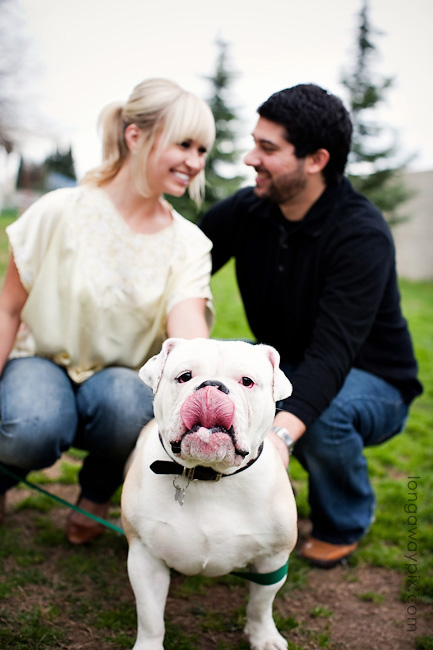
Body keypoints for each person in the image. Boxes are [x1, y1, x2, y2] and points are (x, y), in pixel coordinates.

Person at [200, 83, 422, 568]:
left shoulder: (361, 235)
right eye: (254, 142)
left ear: (316, 160)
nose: (249, 157)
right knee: (213, 367)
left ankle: (342, 522)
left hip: (374, 381)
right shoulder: (247, 210)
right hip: (295, 364)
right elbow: (182, 264)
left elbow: (331, 357)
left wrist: (278, 438)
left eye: (267, 148)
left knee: (321, 417)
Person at [0, 78, 216, 544]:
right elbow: (8, 309)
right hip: (38, 360)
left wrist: (207, 400)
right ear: (135, 136)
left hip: (122, 377)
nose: (195, 162)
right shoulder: (56, 211)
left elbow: (189, 340)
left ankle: (96, 493)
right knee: (30, 426)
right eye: (184, 144)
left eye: (202, 150)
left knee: (129, 408)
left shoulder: (189, 244)